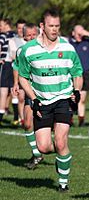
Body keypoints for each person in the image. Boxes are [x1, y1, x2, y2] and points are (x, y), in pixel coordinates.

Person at [18, 8, 83, 191]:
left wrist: (76, 90)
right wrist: (33, 98)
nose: (54, 29)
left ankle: (63, 183)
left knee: (61, 142)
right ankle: (63, 158)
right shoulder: (27, 50)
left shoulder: (68, 48)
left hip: (63, 99)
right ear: (42, 26)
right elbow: (23, 77)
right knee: (44, 147)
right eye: (51, 26)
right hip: (41, 102)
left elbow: (77, 72)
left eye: (57, 26)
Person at [12, 23, 43, 169]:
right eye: (28, 35)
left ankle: (57, 151)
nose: (31, 37)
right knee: (28, 124)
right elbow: (16, 67)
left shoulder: (44, 49)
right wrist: (16, 84)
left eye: (33, 35)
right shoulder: (21, 51)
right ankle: (37, 154)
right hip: (31, 92)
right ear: (23, 37)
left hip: (46, 91)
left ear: (38, 34)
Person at [69, 25, 89, 126]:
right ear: (73, 33)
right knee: (70, 98)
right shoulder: (68, 44)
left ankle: (81, 120)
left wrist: (86, 33)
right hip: (71, 74)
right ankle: (69, 119)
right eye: (77, 32)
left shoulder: (87, 43)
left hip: (84, 73)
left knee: (81, 99)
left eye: (81, 32)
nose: (79, 35)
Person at [8, 19, 27, 126]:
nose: (21, 30)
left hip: (30, 73)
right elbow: (13, 56)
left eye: (23, 28)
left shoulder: (31, 39)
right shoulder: (13, 41)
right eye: (19, 28)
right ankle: (22, 119)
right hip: (18, 72)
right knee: (21, 97)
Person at [0, 18, 16, 126]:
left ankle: (0, 118)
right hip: (14, 65)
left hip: (5, 64)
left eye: (1, 25)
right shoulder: (15, 35)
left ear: (7, 24)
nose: (0, 27)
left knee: (3, 91)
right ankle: (16, 118)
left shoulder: (3, 35)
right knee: (14, 91)